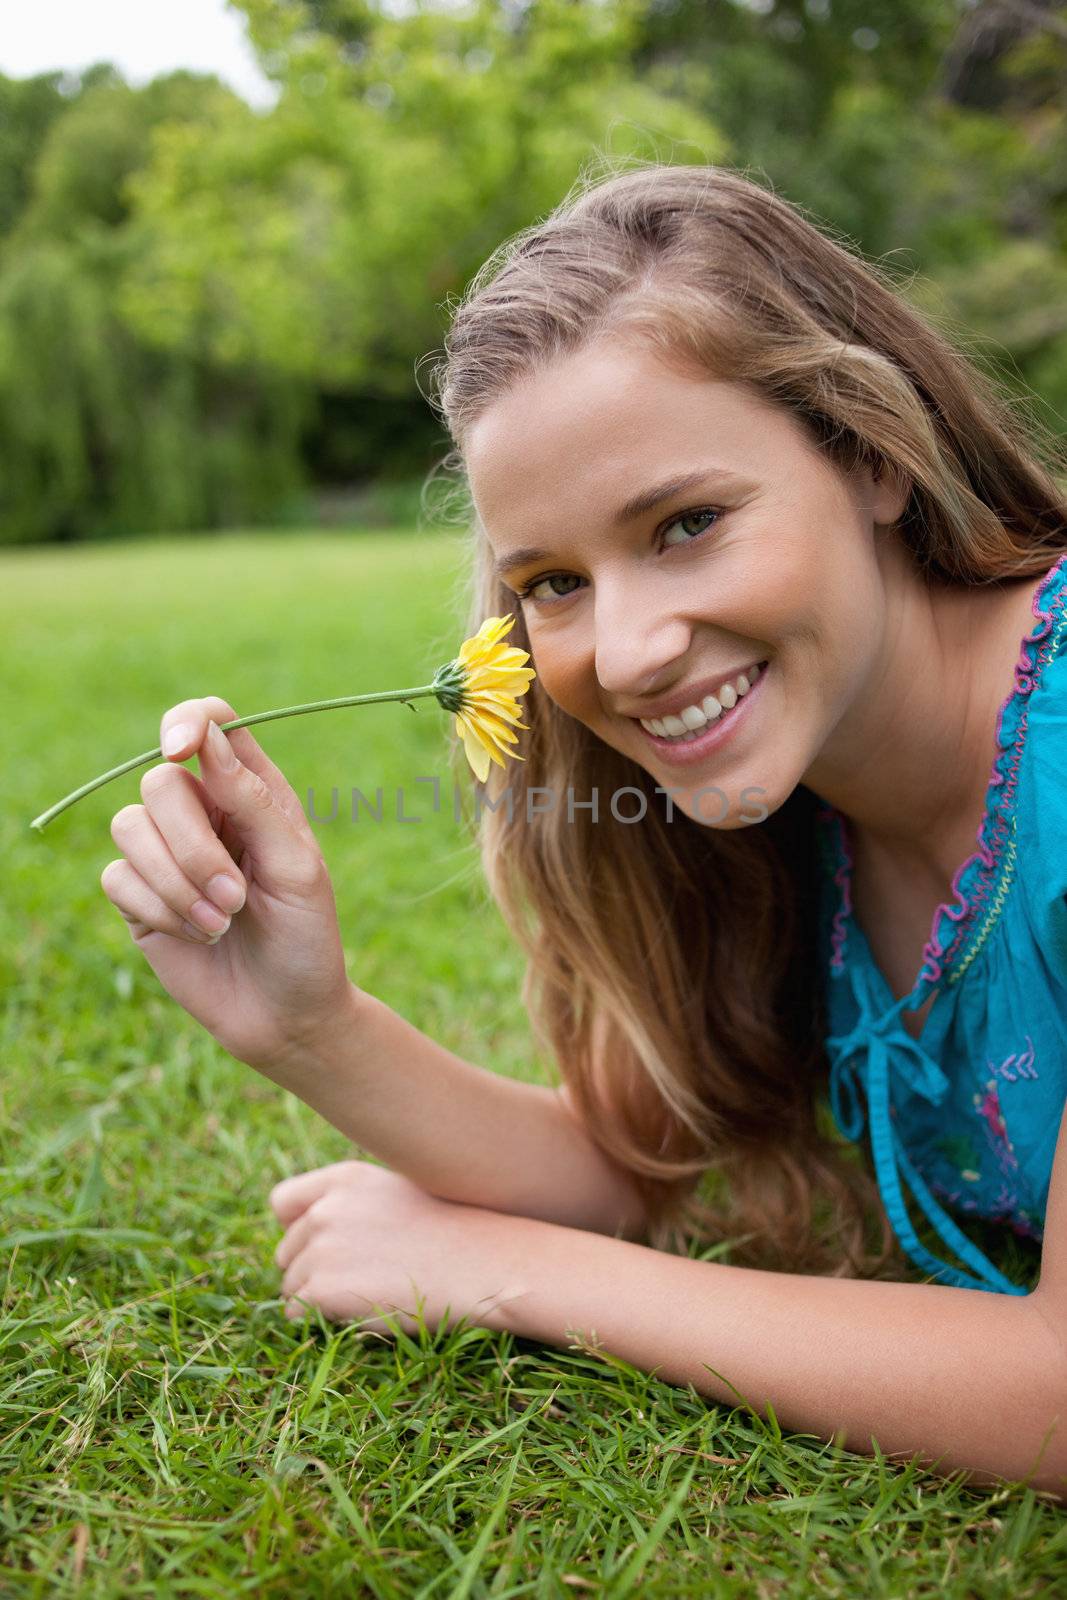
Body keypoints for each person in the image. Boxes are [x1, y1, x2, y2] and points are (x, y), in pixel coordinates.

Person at [99, 162, 1067, 1497]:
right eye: (553, 583)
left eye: (688, 524)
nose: (624, 654)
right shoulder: (792, 807)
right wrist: (308, 1023)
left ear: (871, 454)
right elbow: (628, 1164)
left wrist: (518, 1278)